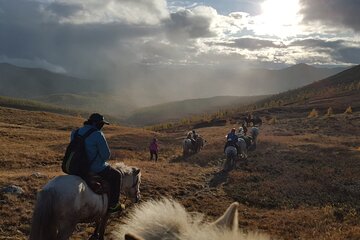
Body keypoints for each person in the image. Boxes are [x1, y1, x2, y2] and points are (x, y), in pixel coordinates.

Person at [71, 113, 122, 214]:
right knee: (117, 175)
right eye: (101, 124)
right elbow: (106, 155)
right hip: (95, 168)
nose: (102, 126)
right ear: (95, 123)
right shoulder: (98, 134)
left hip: (76, 167)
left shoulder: (75, 132)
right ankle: (113, 205)